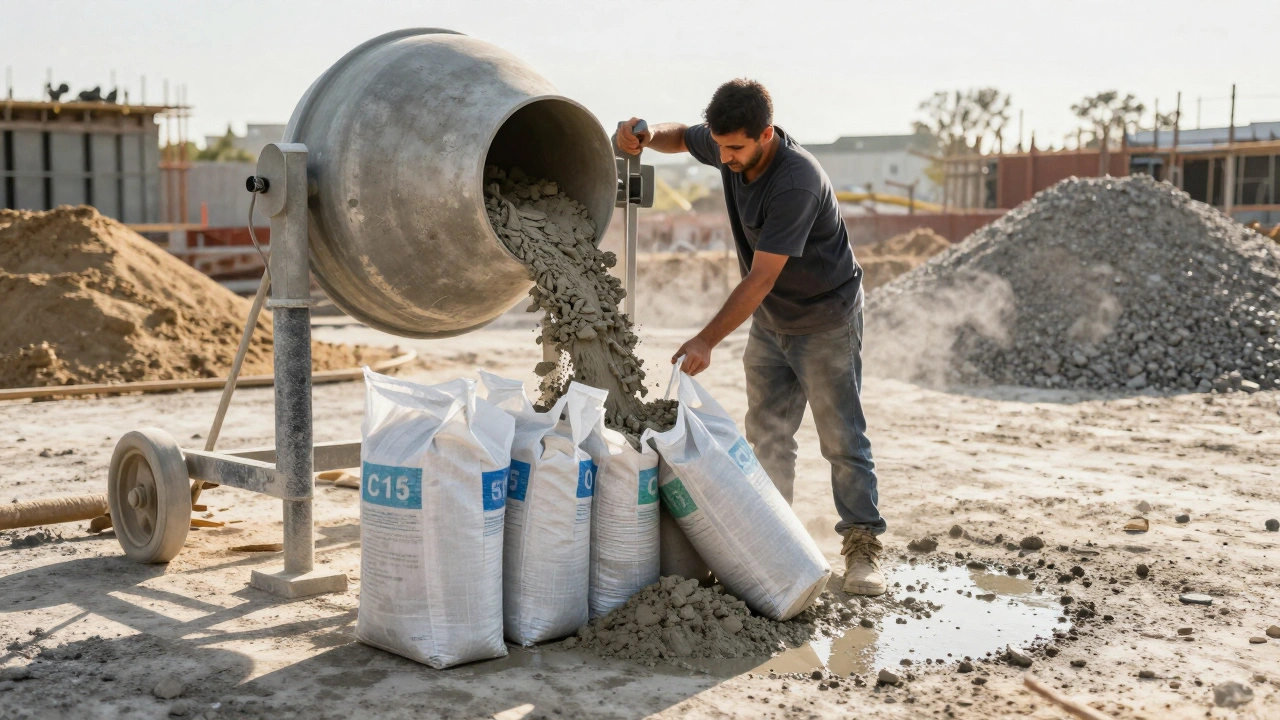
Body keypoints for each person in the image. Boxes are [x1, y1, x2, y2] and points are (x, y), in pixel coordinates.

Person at [617, 79, 886, 596]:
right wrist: (646, 136)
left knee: (842, 439)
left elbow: (760, 279)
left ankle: (862, 547)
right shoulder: (727, 145)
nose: (725, 157)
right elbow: (681, 137)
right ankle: (775, 544)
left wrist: (705, 340)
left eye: (735, 148)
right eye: (719, 146)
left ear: (765, 135)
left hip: (825, 320)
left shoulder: (796, 182)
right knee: (766, 437)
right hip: (770, 323)